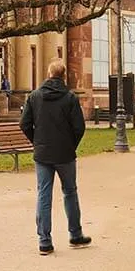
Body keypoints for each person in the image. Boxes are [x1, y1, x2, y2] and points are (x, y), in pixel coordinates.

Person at [19, 59, 91, 255]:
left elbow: (24, 124)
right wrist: (70, 145)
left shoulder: (34, 96)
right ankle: (75, 235)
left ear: (49, 74)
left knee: (44, 194)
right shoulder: (69, 98)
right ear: (63, 75)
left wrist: (37, 142)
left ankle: (44, 241)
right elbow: (79, 127)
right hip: (65, 153)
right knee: (70, 192)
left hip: (43, 153)